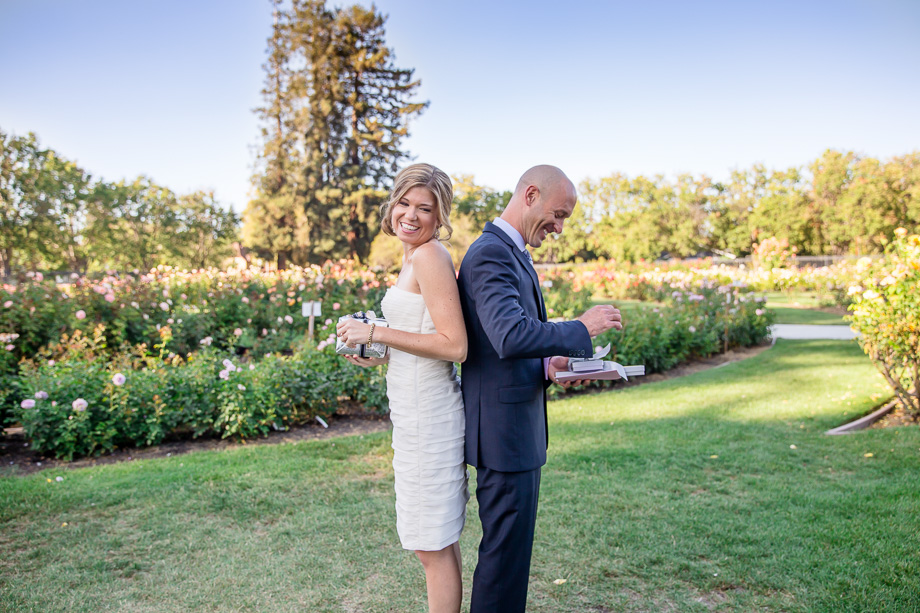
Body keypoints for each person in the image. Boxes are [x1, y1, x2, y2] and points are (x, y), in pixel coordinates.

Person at [457, 164, 622, 612]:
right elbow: (509, 335)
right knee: (502, 564)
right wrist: (579, 328)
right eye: (558, 214)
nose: (560, 227)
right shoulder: (490, 253)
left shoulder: (511, 253)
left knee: (511, 562)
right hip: (502, 436)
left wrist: (552, 362)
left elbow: (506, 341)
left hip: (515, 431)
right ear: (530, 194)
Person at [337, 163, 469, 613]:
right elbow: (424, 337)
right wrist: (376, 350)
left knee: (431, 544)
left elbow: (455, 346)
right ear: (392, 205)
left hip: (429, 418)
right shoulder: (412, 257)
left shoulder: (430, 256)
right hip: (414, 414)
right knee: (434, 541)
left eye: (425, 208)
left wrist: (375, 334)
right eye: (405, 203)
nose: (411, 215)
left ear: (440, 216)